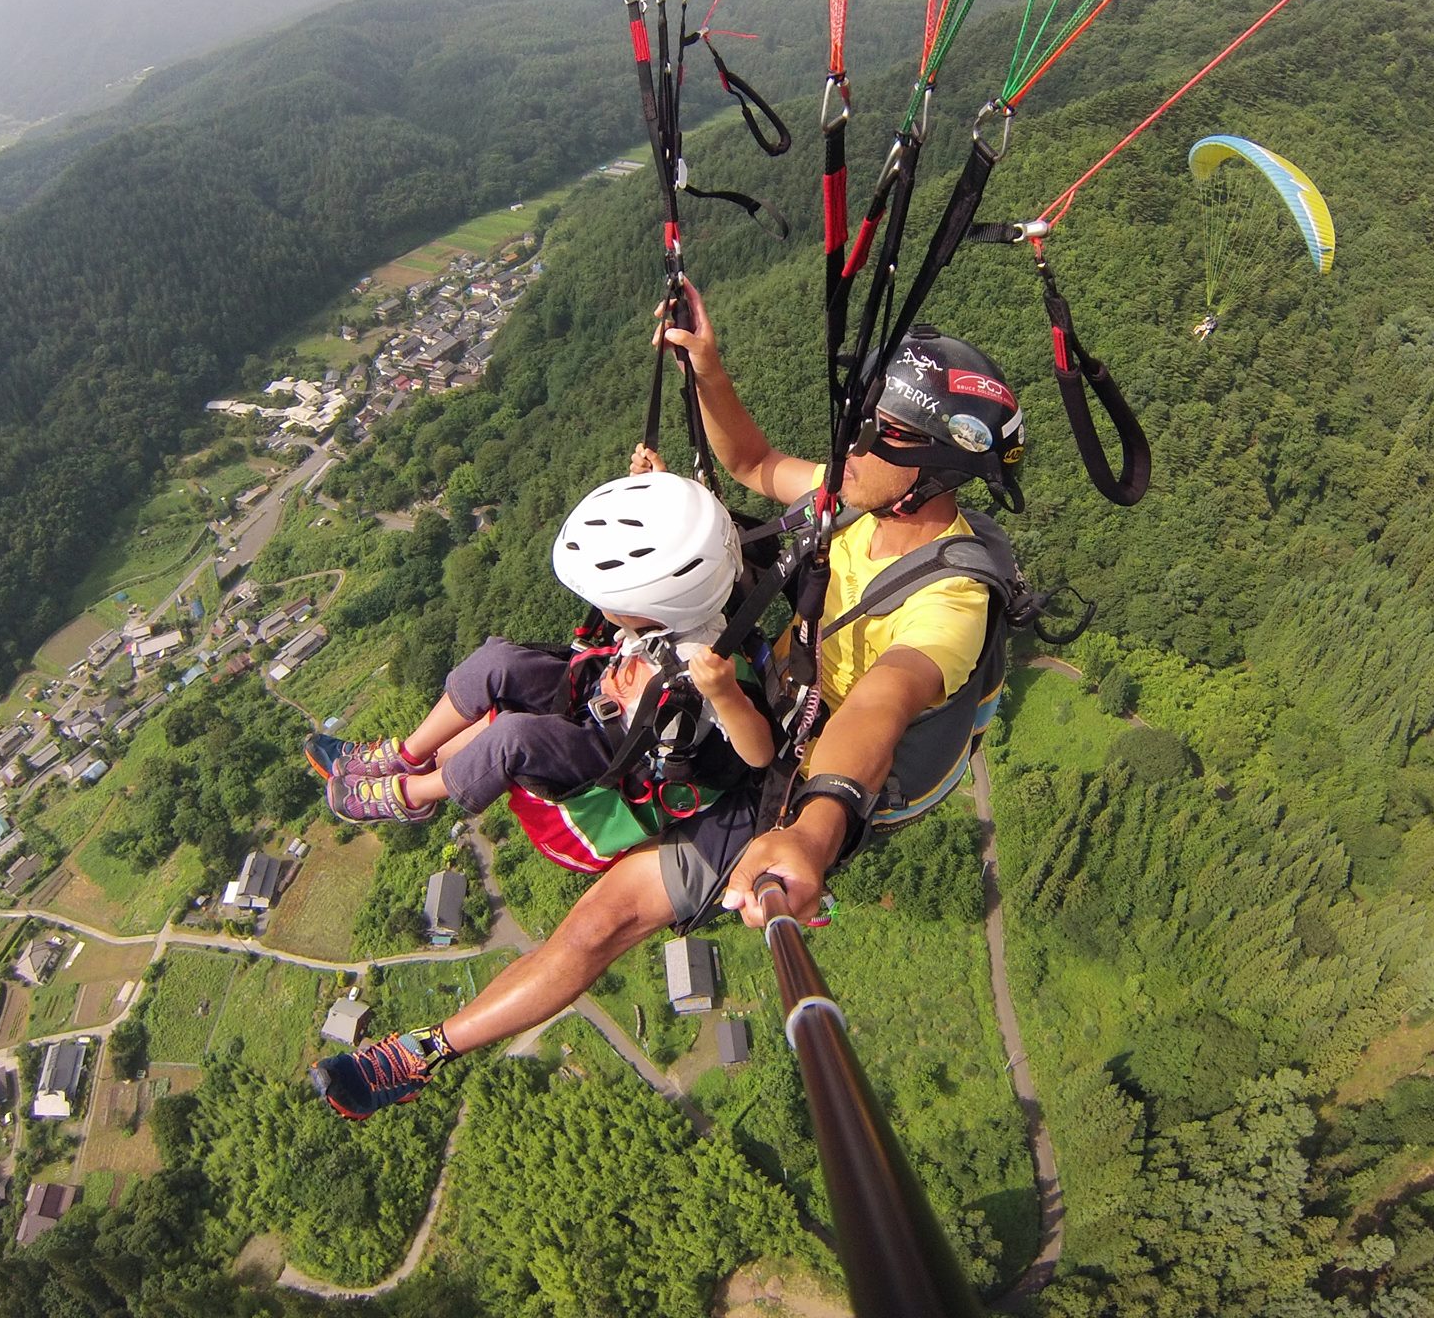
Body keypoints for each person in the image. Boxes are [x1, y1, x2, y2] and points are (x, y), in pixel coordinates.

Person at [310, 282, 1024, 1119]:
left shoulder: (952, 602)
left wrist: (810, 833)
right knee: (538, 675)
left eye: (881, 433)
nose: (853, 443)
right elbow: (754, 465)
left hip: (812, 769)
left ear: (934, 473)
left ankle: (424, 1051)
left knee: (605, 917)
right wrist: (708, 369)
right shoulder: (860, 495)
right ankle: (407, 770)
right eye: (860, 419)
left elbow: (879, 709)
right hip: (768, 679)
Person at [305, 468, 775, 827]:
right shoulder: (685, 597)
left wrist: (725, 696)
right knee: (497, 661)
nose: (599, 608)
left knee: (513, 737)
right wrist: (656, 494)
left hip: (611, 750)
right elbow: (689, 552)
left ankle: (414, 793)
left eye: (609, 601)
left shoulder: (706, 662)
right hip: (599, 692)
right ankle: (408, 752)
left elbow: (759, 754)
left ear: (647, 606)